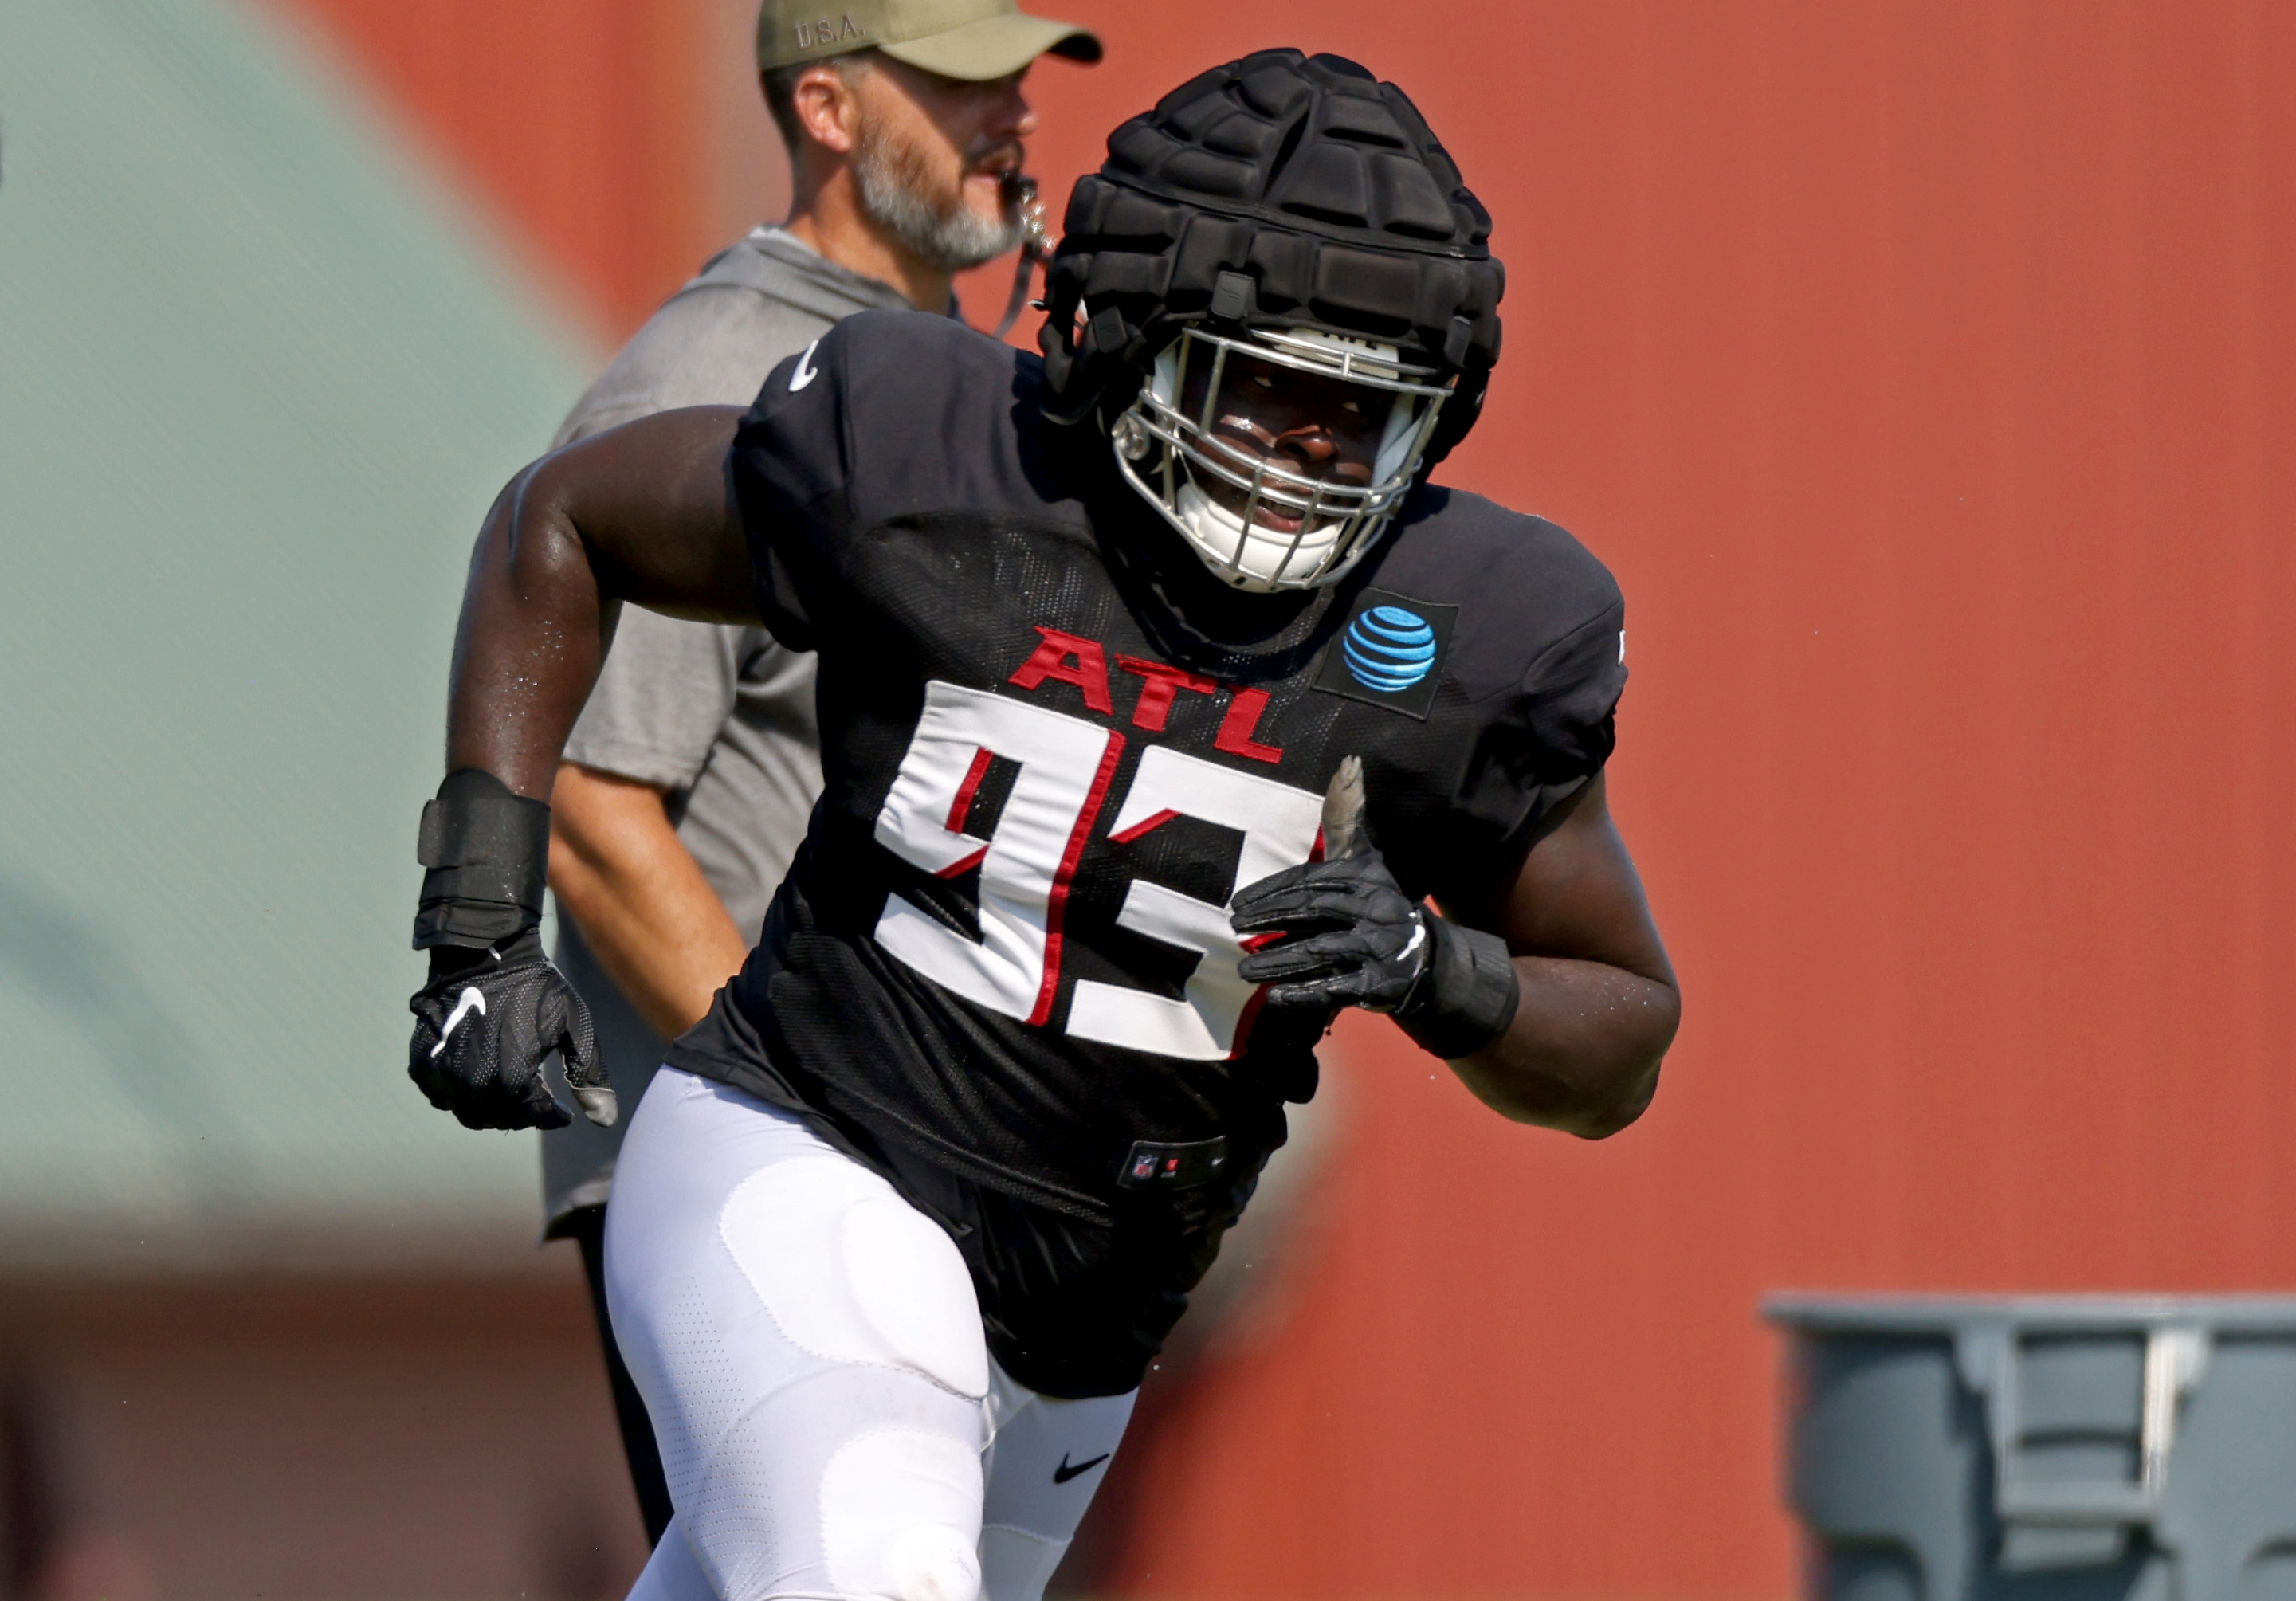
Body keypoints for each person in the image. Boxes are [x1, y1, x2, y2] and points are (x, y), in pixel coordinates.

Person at [407, 48, 1681, 1601]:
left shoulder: (1472, 627)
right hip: (815, 1149)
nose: (1310, 453)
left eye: (1362, 413)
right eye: (1269, 384)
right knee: (868, 1574)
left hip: (1089, 1324)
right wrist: (473, 918)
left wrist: (1435, 970)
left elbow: (1622, 1038)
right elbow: (566, 519)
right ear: (1138, 345)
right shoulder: (943, 460)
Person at [536, 0, 1098, 1547]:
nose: (1013, 116)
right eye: (963, 81)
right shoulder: (717, 381)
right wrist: (842, 1135)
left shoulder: (945, 387)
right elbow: (590, 815)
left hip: (931, 1198)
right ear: (832, 110)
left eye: (1020, 81)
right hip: (765, 1208)